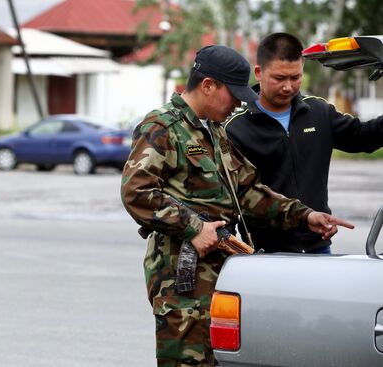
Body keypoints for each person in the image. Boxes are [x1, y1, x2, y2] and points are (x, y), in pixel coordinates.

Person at [120, 44, 354, 367]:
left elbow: (248, 191)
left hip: (220, 273)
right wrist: (194, 226)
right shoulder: (162, 127)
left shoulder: (214, 132)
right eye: (234, 96)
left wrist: (304, 215)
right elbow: (136, 191)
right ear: (208, 86)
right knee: (187, 362)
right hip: (181, 279)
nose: (237, 105)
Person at [225, 32, 383, 254]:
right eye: (280, 78)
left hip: (319, 247)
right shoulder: (235, 129)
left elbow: (365, 137)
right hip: (266, 254)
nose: (288, 87)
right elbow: (237, 199)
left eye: (295, 77)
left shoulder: (319, 112)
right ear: (259, 72)